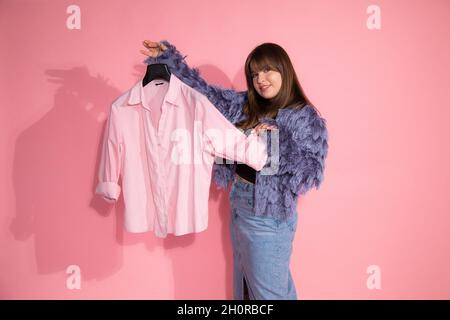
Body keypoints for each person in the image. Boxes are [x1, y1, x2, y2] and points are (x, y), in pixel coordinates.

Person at [140, 40, 328, 300]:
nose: (260, 79)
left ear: (284, 70)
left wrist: (276, 142)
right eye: (254, 74)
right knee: (246, 292)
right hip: (239, 203)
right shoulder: (247, 105)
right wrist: (170, 59)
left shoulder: (304, 116)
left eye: (267, 70)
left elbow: (310, 171)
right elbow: (206, 96)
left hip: (269, 216)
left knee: (270, 295)